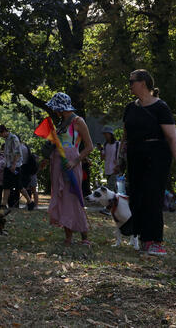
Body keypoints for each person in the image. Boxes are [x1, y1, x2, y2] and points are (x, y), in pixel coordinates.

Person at [124, 69, 176, 256]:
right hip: (135, 155)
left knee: (152, 197)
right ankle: (143, 238)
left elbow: (172, 138)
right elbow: (125, 135)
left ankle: (156, 241)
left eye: (132, 81)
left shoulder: (160, 107)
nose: (129, 85)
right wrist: (120, 157)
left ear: (143, 83)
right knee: (136, 197)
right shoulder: (130, 107)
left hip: (156, 156)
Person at [45, 92, 92, 245]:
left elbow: (89, 147)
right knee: (63, 199)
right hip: (58, 164)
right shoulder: (60, 123)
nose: (55, 111)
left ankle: (84, 237)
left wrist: (76, 161)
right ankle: (68, 237)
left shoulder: (78, 121)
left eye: (56, 108)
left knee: (74, 198)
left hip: (71, 164)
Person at [0, 124, 23, 209]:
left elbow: (17, 152)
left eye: (0, 134)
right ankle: (3, 204)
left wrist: (14, 164)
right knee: (6, 185)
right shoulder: (7, 139)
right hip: (8, 165)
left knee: (19, 186)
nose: (0, 136)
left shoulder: (13, 138)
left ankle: (30, 202)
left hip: (15, 166)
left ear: (4, 131)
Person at [102, 126, 120, 192]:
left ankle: (111, 201)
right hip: (107, 169)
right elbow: (103, 158)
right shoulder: (105, 145)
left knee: (110, 188)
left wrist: (118, 166)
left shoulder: (118, 144)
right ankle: (117, 200)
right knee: (114, 189)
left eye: (106, 134)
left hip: (115, 169)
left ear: (111, 134)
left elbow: (121, 156)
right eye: (104, 134)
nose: (105, 136)